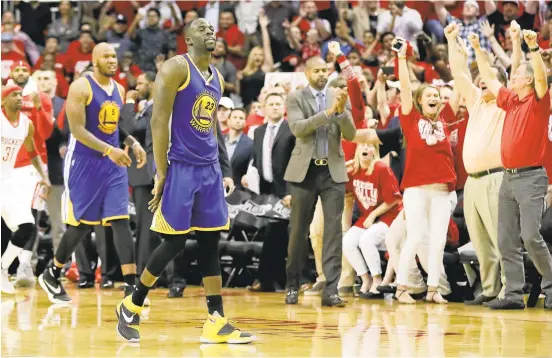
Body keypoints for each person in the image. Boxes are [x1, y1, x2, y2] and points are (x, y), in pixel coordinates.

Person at [116, 18, 253, 344]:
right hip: (180, 168)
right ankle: (132, 302)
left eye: (212, 29)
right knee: (174, 242)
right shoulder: (176, 68)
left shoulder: (217, 77)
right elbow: (159, 121)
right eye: (202, 28)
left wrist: (225, 168)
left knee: (209, 242)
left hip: (209, 171)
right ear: (187, 39)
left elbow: (213, 128)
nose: (210, 32)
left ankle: (215, 319)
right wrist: (160, 172)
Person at [38, 43, 147, 304]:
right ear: (95, 60)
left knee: (120, 219)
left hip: (111, 164)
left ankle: (132, 287)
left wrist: (133, 143)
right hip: (84, 162)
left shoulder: (119, 89)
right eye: (106, 56)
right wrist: (110, 150)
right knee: (83, 224)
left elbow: (116, 128)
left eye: (114, 56)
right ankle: (52, 272)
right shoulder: (81, 87)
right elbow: (77, 131)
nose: (112, 60)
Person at [470, 30, 552, 310]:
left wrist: (533, 48)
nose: (512, 76)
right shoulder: (511, 100)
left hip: (531, 177)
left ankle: (551, 286)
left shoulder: (539, 101)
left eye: (517, 74)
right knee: (506, 239)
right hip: (508, 178)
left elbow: (541, 77)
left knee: (530, 236)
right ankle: (514, 295)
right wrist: (477, 49)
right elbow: (489, 79)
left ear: (527, 79)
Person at [445, 22, 511, 305]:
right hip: (472, 181)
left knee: (501, 238)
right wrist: (451, 41)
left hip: (496, 177)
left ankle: (511, 289)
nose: (481, 81)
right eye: (480, 79)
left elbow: (487, 75)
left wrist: (478, 51)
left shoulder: (505, 104)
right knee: (481, 241)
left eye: (487, 78)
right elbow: (460, 74)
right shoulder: (475, 102)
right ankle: (489, 288)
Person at [284, 49, 356, 307]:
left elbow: (350, 133)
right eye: (317, 71)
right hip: (305, 171)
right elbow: (298, 129)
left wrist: (340, 111)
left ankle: (331, 290)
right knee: (298, 232)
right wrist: (328, 113)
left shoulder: (338, 97)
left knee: (334, 232)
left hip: (332, 170)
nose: (323, 74)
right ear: (307, 74)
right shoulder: (295, 98)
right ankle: (292, 285)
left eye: (325, 70)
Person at [394, 38, 457, 304]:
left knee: (438, 241)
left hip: (442, 188)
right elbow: (406, 87)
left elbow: (457, 83)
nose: (433, 98)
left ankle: (433, 290)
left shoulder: (445, 121)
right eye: (428, 95)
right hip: (417, 187)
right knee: (416, 236)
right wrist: (400, 59)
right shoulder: (411, 118)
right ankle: (402, 287)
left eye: (436, 95)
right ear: (420, 101)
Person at [1, 85, 51, 295]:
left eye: (20, 95)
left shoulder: (25, 124)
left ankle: (3, 267)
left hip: (6, 181)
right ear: (3, 100)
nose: (19, 98)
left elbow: (33, 152)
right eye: (14, 95)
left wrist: (45, 178)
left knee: (27, 226)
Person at [342, 143, 402, 298]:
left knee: (366, 240)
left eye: (370, 146)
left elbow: (394, 200)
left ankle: (377, 279)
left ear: (375, 152)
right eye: (363, 145)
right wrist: (342, 170)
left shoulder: (381, 168)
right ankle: (365, 278)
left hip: (389, 217)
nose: (366, 148)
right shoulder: (353, 170)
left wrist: (373, 215)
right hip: (368, 217)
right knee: (347, 242)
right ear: (357, 150)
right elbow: (342, 189)